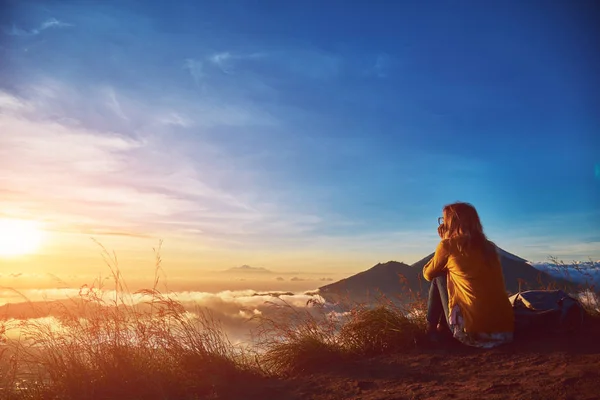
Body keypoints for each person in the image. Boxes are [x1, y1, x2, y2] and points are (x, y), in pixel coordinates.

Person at [422, 202, 514, 348]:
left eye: (444, 220)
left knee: (439, 277)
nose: (442, 224)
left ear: (451, 222)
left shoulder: (448, 245)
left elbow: (428, 274)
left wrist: (444, 241)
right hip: (505, 332)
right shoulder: (489, 247)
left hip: (472, 335)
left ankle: (431, 331)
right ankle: (442, 328)